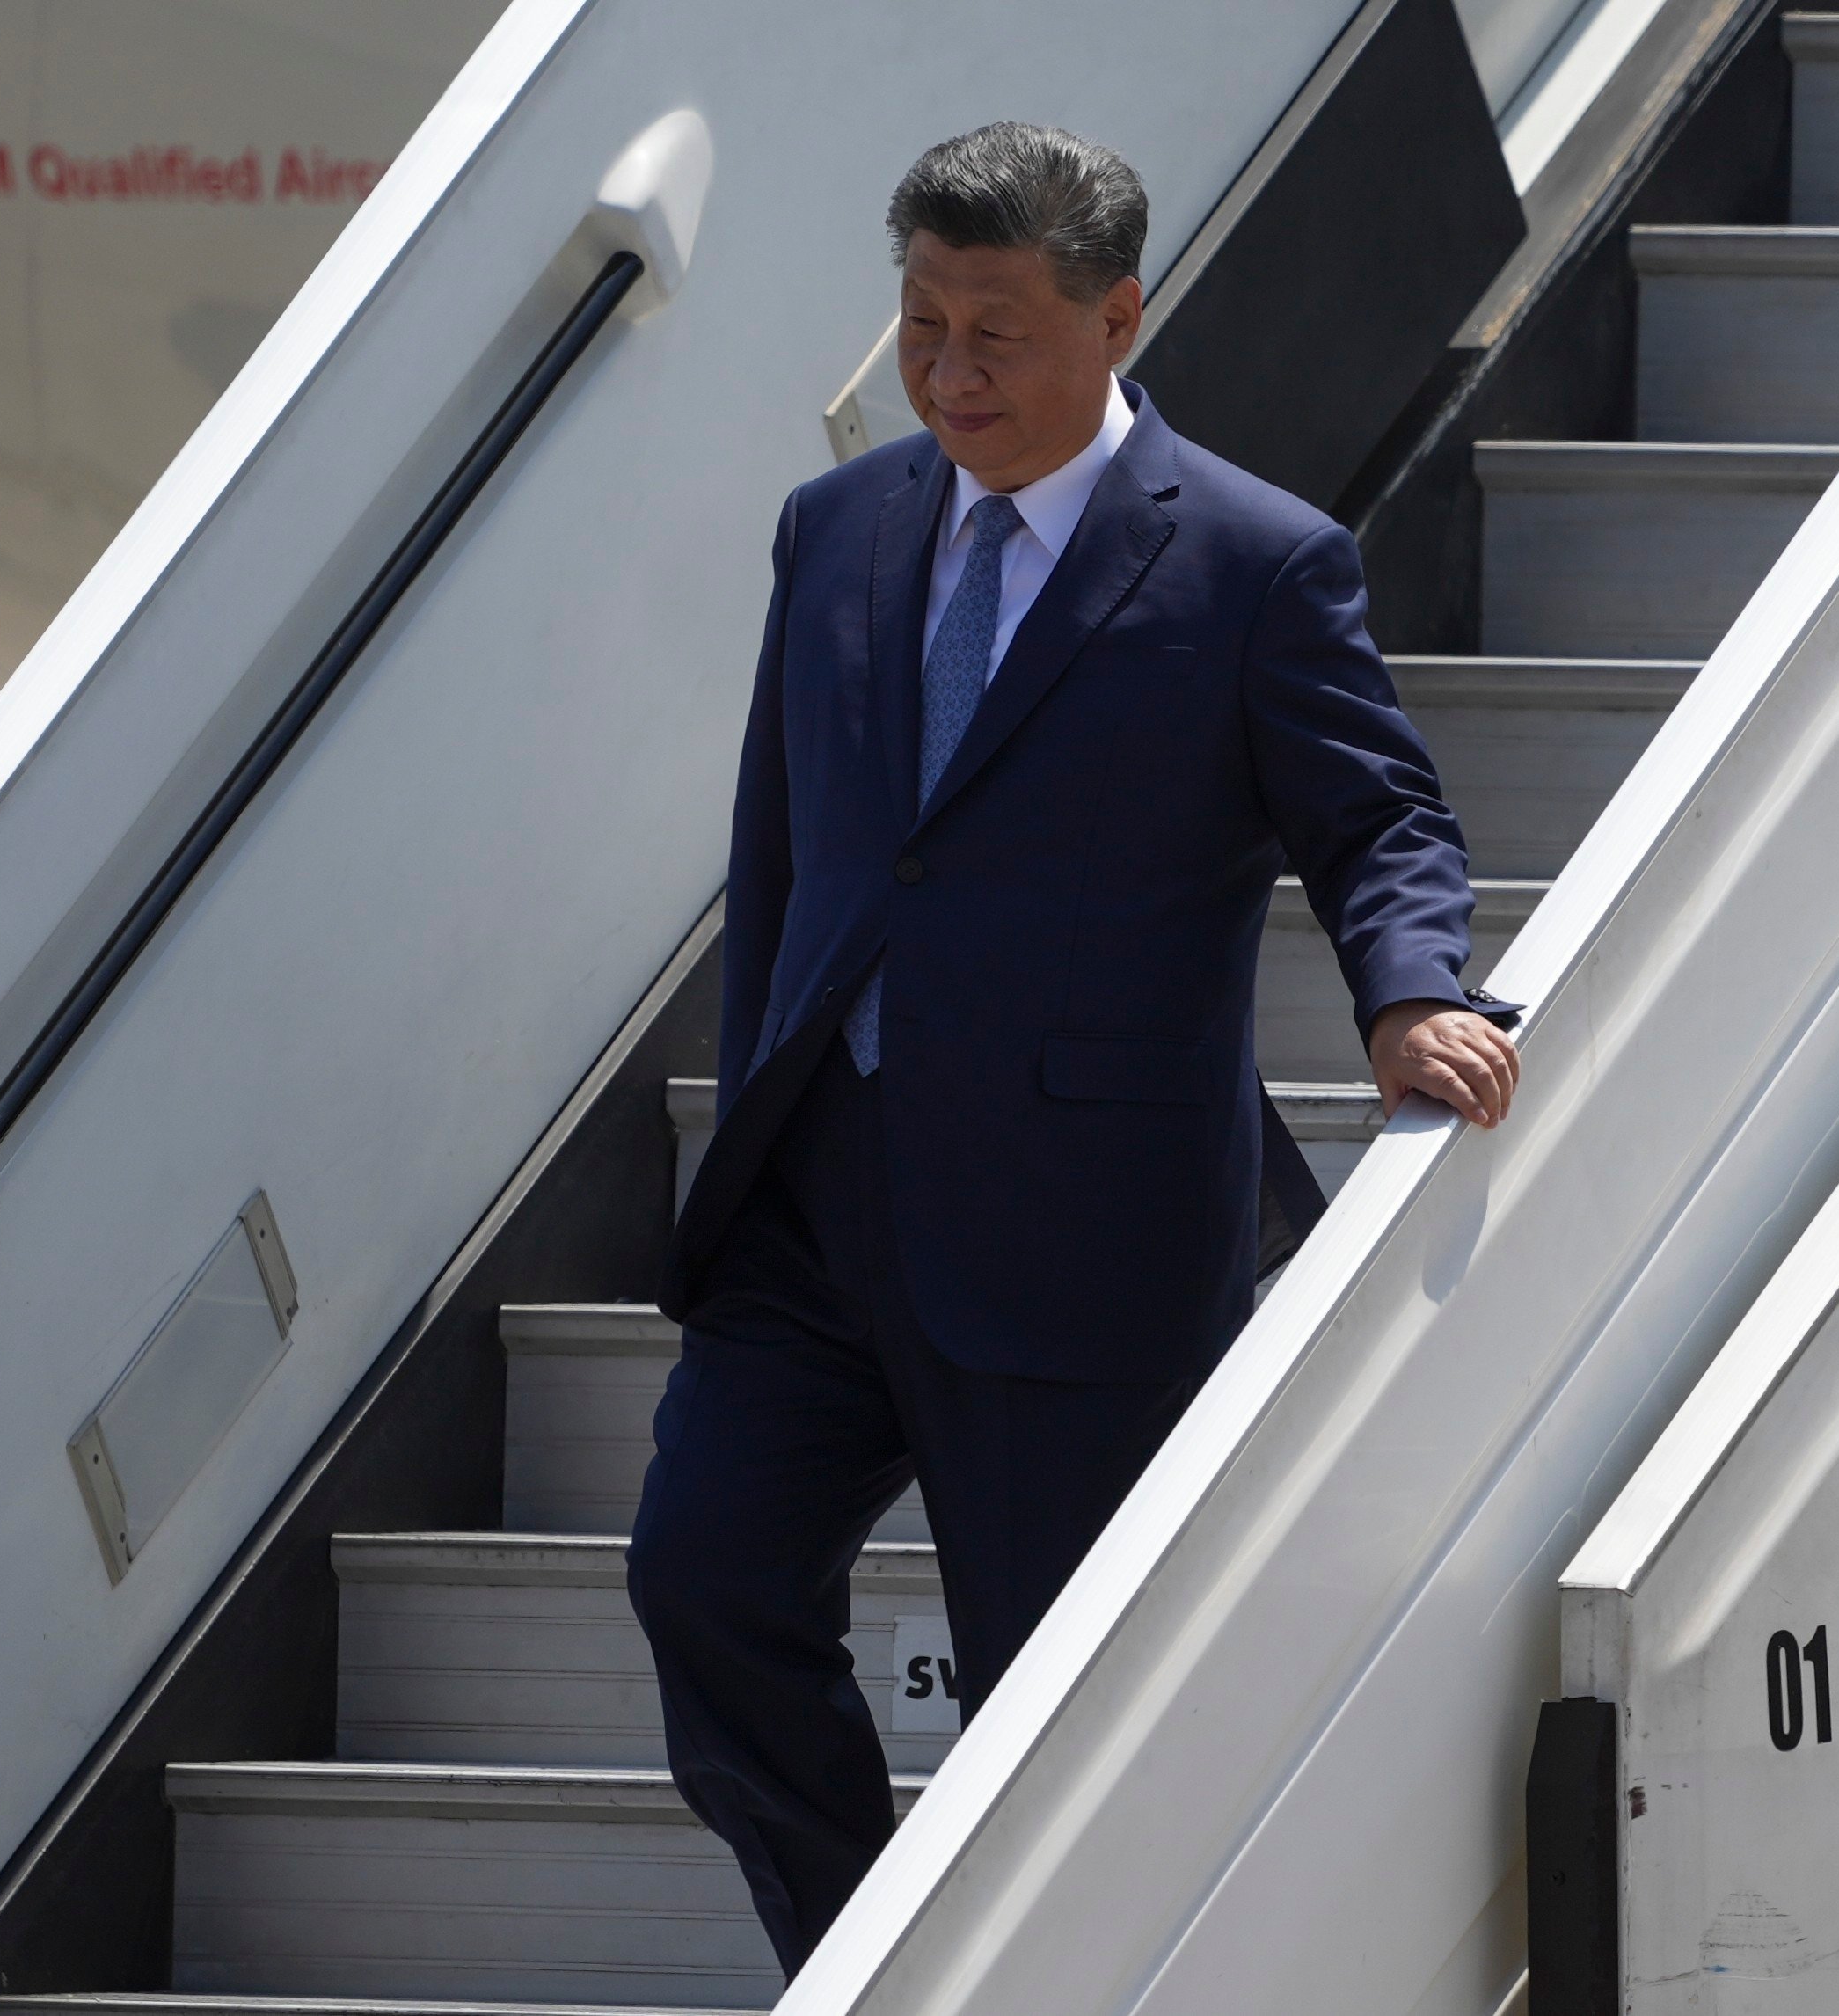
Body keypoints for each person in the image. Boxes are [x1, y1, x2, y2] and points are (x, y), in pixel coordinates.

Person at [627, 121, 1517, 1973]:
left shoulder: (1258, 565)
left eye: (996, 336)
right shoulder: (839, 529)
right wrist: (754, 1112)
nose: (948, 377)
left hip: (1082, 1236)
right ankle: (863, 1960)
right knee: (700, 1580)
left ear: (1116, 318)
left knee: (1058, 1709)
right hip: (817, 1209)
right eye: (923, 327)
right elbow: (781, 859)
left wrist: (1410, 989)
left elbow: (1383, 824)